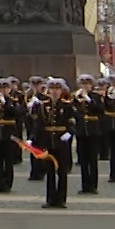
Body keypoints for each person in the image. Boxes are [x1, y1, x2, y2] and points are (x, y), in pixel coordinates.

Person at [33, 78, 77, 208]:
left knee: (62, 171)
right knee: (49, 171)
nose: (54, 92)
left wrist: (70, 132)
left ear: (61, 90)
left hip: (61, 141)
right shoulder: (43, 105)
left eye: (57, 89)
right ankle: (50, 199)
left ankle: (61, 199)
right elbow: (39, 124)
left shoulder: (67, 105)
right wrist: (33, 138)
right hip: (48, 140)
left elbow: (73, 121)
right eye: (52, 89)